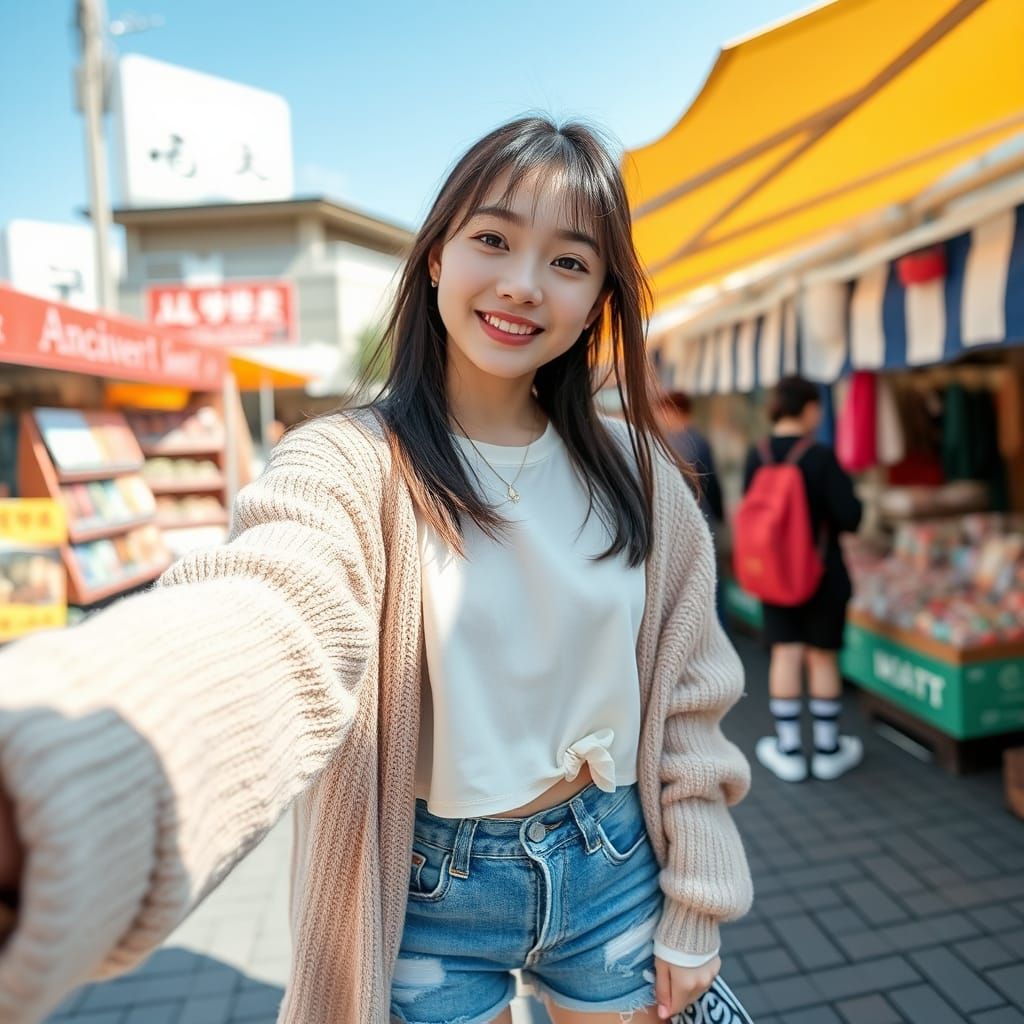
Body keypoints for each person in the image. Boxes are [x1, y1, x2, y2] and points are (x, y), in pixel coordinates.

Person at [0, 117, 752, 1024]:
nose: (521, 284)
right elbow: (275, 611)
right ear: (436, 256)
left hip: (613, 860)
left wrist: (698, 902)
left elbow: (689, 709)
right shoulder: (348, 462)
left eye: (568, 260)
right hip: (425, 888)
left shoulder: (641, 474)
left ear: (598, 298)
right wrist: (66, 753)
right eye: (493, 240)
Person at [742, 376, 864, 784]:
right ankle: (828, 751)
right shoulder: (820, 455)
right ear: (809, 407)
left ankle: (790, 750)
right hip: (822, 573)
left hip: (773, 575)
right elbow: (850, 517)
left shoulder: (756, 455)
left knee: (785, 654)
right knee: (822, 655)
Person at [660, 391, 723, 525]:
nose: (661, 418)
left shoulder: (667, 444)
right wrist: (719, 514)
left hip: (678, 517)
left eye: (663, 412)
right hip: (698, 515)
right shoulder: (698, 440)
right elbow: (711, 483)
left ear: (673, 411)